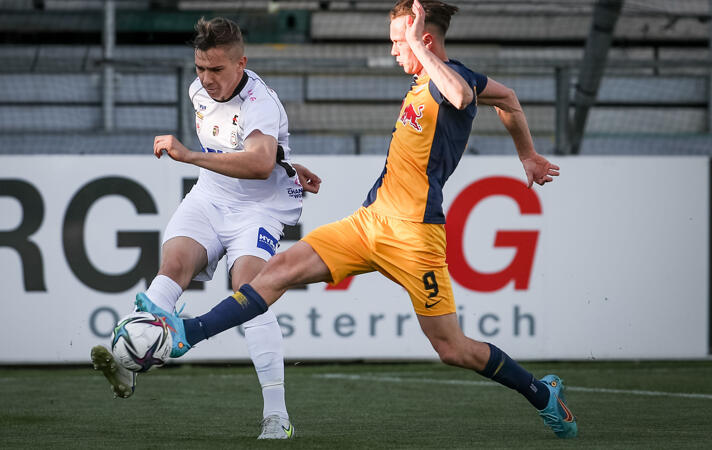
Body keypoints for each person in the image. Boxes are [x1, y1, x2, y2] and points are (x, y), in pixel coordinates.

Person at [137, 0, 577, 440]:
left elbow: (463, 96)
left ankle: (541, 394)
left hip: (416, 235)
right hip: (371, 220)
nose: (393, 52)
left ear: (424, 40)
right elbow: (511, 101)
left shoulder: (451, 80)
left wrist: (420, 49)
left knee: (452, 348)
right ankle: (186, 334)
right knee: (278, 272)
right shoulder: (427, 79)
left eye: (397, 42)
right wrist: (528, 155)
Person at [91, 16, 322, 440]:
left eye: (216, 69)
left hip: (258, 210)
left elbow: (256, 162)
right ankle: (127, 364)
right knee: (172, 266)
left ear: (241, 64)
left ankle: (277, 415)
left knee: (250, 290)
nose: (206, 78)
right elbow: (246, 148)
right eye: (200, 67)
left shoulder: (260, 102)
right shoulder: (197, 90)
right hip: (210, 198)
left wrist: (189, 155)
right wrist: (286, 160)